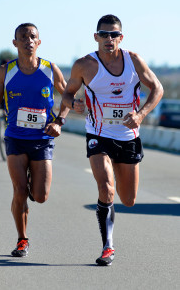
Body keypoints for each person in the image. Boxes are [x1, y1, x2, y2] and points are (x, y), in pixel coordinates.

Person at [62, 14, 164, 266]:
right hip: (99, 133)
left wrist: (140, 115)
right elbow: (67, 93)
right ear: (95, 37)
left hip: (128, 136)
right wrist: (72, 104)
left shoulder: (134, 61)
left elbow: (158, 89)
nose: (109, 39)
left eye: (114, 34)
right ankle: (108, 246)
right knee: (106, 187)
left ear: (121, 37)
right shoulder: (84, 65)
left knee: (128, 199)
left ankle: (116, 178)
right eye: (104, 34)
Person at [0, 23, 69, 257]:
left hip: (42, 139)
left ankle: (31, 182)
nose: (28, 40)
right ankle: (22, 240)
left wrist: (59, 121)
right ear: (15, 43)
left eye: (33, 37)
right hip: (16, 138)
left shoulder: (50, 69)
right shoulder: (5, 71)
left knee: (40, 196)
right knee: (19, 190)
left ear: (39, 42)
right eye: (23, 37)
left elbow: (68, 96)